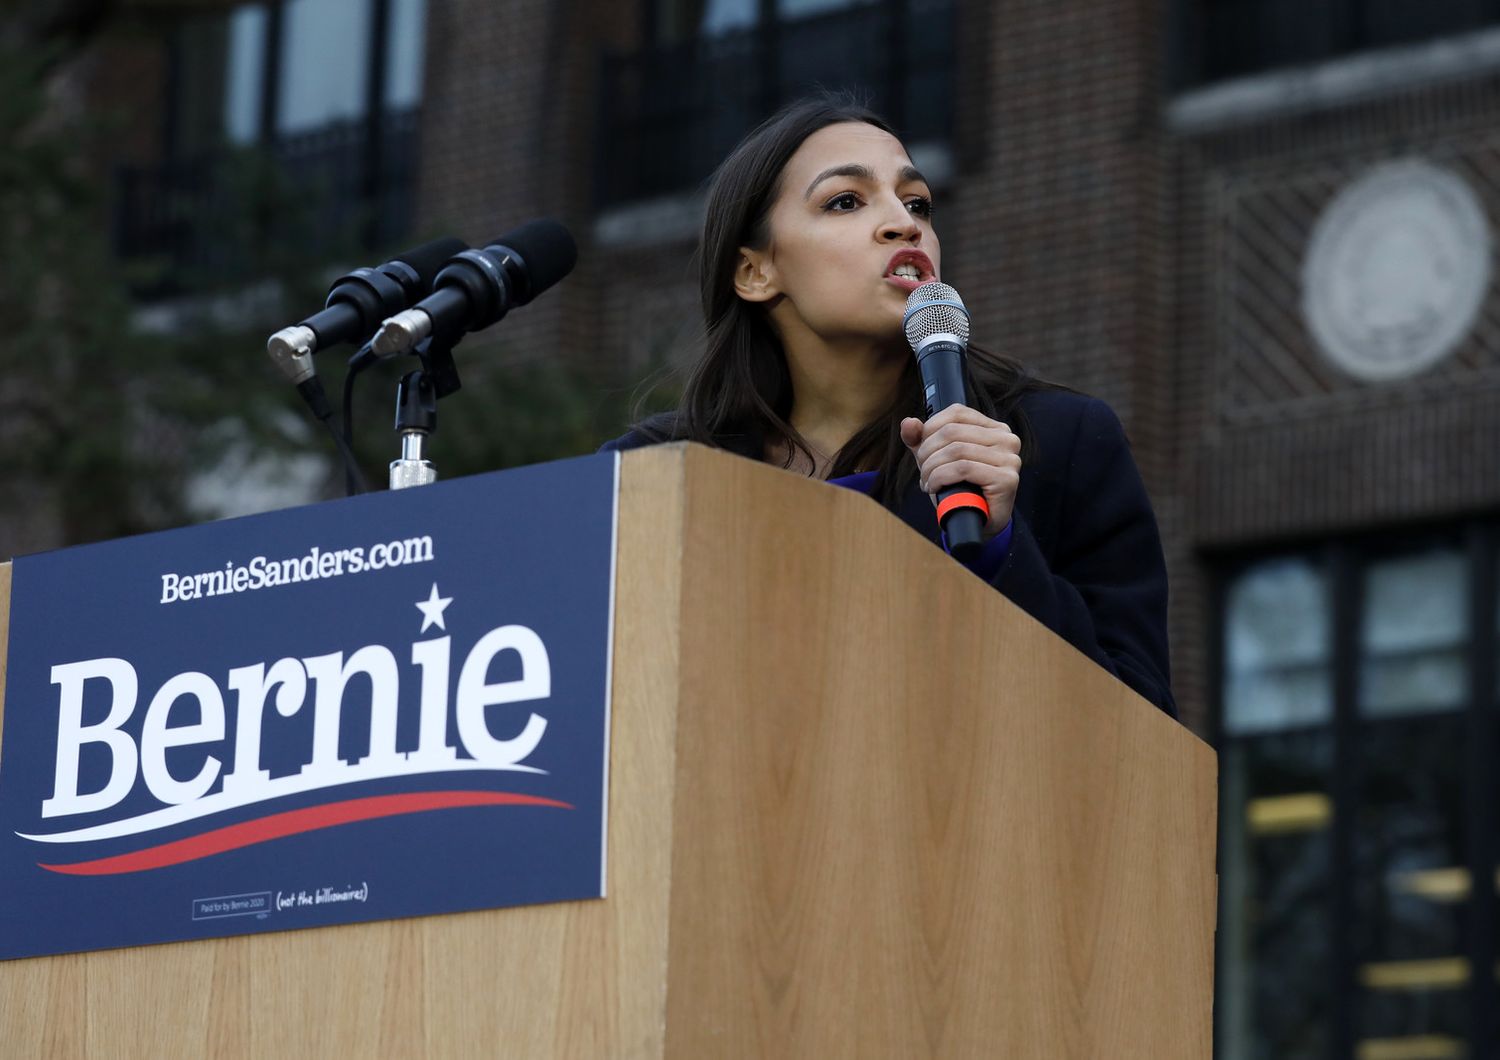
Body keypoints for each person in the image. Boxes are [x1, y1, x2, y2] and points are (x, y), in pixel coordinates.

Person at [600, 95, 1176, 717]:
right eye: (845, 201)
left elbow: (1140, 728)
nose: (904, 223)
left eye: (918, 203)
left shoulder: (1057, 443)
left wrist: (998, 547)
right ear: (755, 271)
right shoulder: (657, 474)